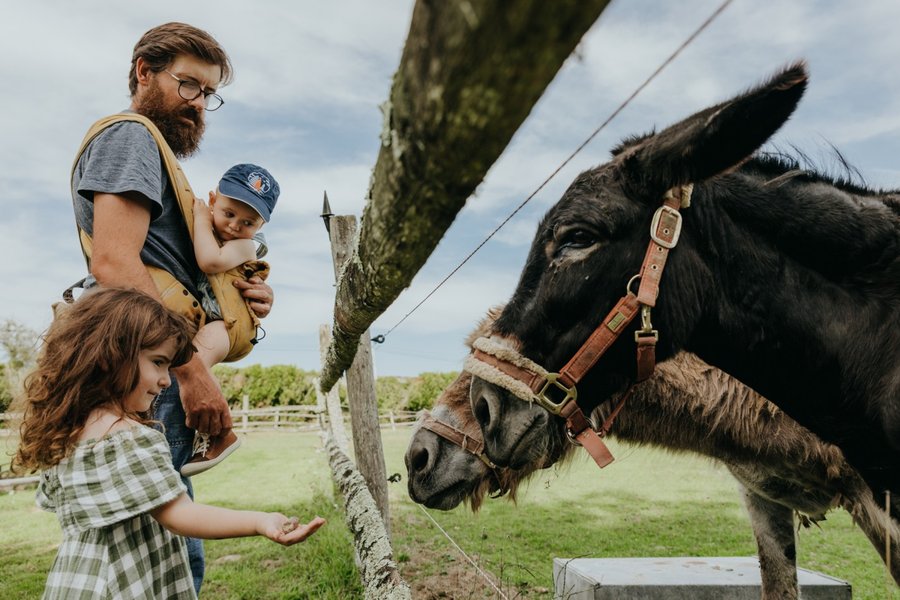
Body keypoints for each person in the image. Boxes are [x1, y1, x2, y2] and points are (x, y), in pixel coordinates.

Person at [69, 22, 274, 591]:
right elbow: (113, 263)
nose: (199, 105)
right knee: (159, 562)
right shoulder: (131, 136)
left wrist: (247, 292)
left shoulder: (156, 155)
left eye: (209, 94)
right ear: (143, 72)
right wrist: (189, 369)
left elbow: (170, 264)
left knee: (165, 550)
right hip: (149, 368)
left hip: (157, 367)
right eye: (189, 86)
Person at [13, 288, 325, 600]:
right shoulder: (131, 436)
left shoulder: (66, 433)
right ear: (110, 355)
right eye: (158, 362)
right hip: (127, 586)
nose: (166, 380)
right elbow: (179, 514)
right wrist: (259, 521)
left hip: (77, 582)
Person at [182, 163, 280, 477]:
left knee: (193, 362)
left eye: (249, 221)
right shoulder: (212, 229)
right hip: (211, 316)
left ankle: (221, 433)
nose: (236, 226)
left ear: (261, 224)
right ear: (213, 199)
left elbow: (210, 261)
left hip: (226, 323)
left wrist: (199, 217)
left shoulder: (247, 245)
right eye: (228, 214)